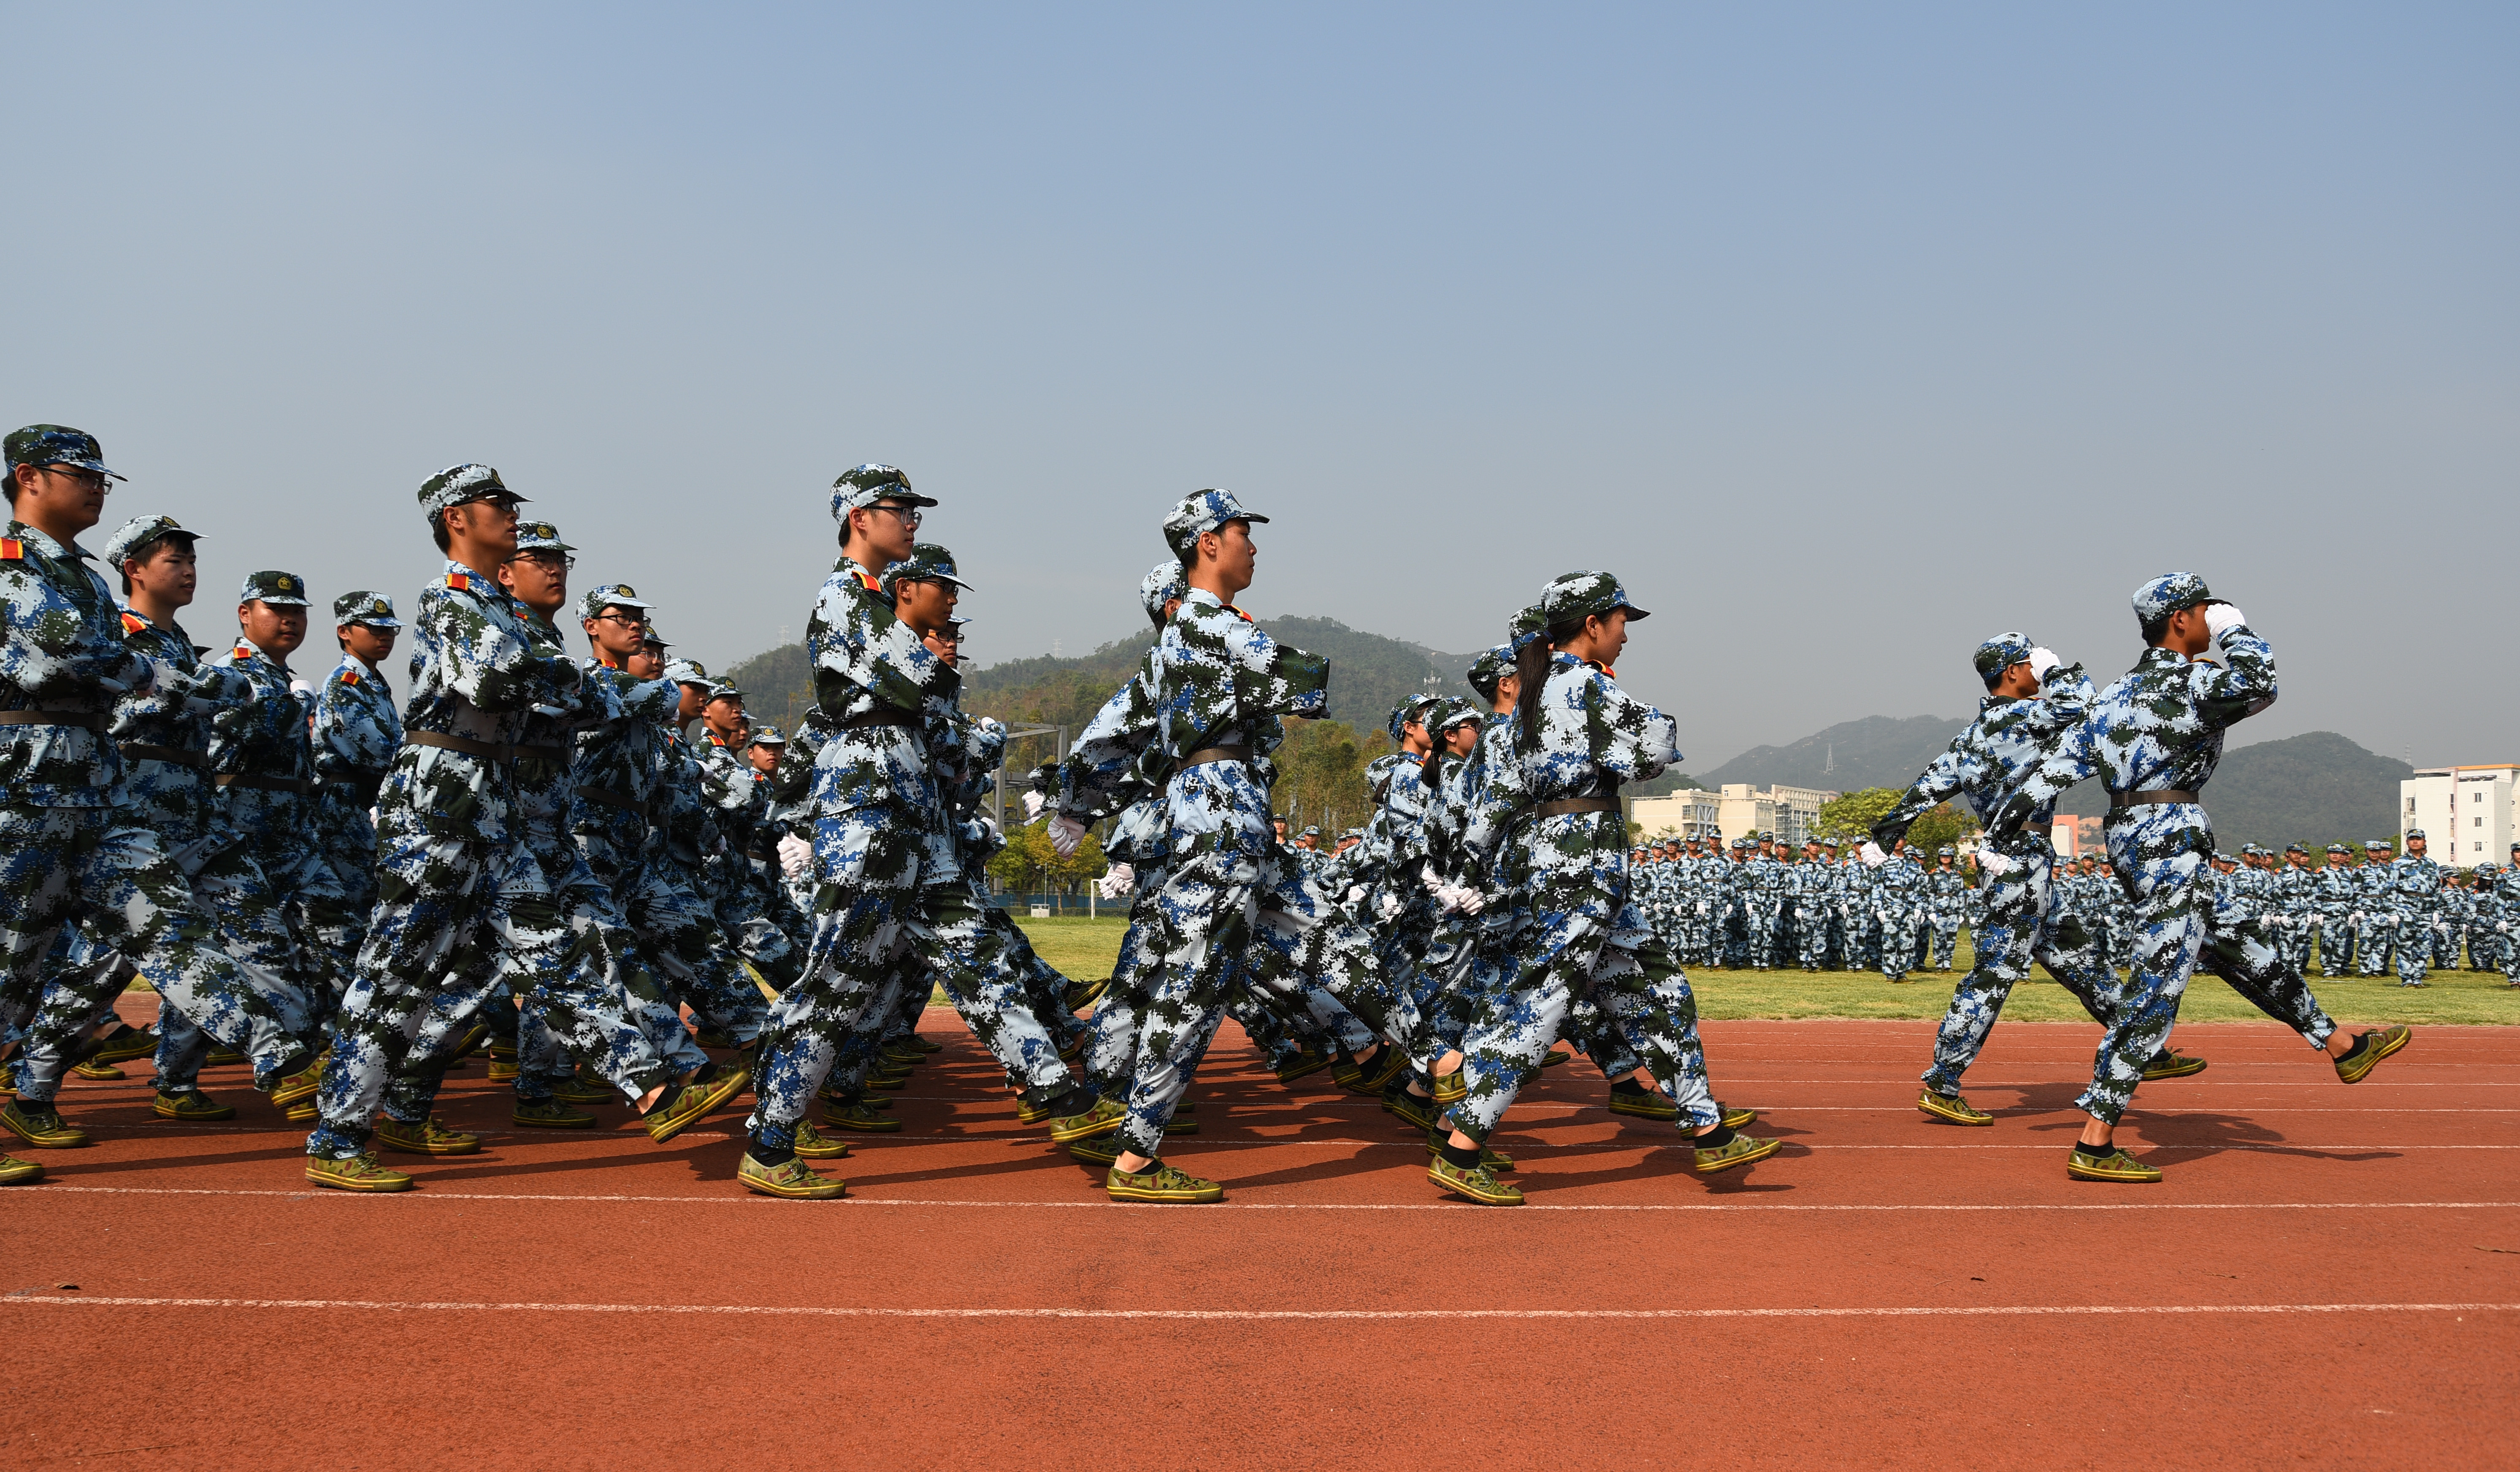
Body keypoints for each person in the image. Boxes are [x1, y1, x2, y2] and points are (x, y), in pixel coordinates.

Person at [304, 464, 739, 1192]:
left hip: (496, 807)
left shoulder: (503, 612)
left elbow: (560, 693)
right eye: (495, 503)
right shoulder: (447, 599)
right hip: (439, 805)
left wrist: (580, 687)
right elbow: (498, 680)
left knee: (552, 953)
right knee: (396, 977)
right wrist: (581, 685)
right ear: (455, 519)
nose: (510, 513)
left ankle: (653, 1086)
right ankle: (337, 1134)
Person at [738, 466, 1108, 1200]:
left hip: (915, 818)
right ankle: (769, 1138)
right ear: (857, 517)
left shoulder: (878, 602)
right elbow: (920, 680)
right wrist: (928, 667)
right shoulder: (842, 595)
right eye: (898, 508)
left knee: (979, 958)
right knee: (837, 983)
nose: (911, 520)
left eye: (914, 511)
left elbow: (935, 705)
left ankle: (1060, 1096)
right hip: (867, 815)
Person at [1983, 574, 2409, 1183]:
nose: (2213, 616)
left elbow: (2049, 772)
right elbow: (2259, 684)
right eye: (2206, 609)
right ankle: (2095, 1140)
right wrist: (2237, 631)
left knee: (2242, 949)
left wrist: (1997, 834)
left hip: (2130, 835)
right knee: (2157, 980)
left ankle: (2342, 1045)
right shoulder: (2190, 683)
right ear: (2180, 619)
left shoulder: (2115, 694)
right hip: (2171, 834)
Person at [0, 427, 320, 1177]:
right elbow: (62, 651)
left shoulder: (81, 577)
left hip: (104, 792)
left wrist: (158, 678)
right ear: (29, 478)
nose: (97, 487)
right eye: (81, 474)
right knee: (15, 964)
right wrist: (163, 679)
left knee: (168, 926)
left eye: (101, 477)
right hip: (29, 785)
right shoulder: (13, 564)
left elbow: (108, 668)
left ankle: (280, 1056)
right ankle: (32, 1086)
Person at [1869, 633, 2201, 1128]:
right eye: (2028, 663)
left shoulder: (1971, 737)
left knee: (2083, 961)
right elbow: (2088, 708)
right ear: (2011, 672)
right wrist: (2058, 672)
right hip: (2020, 862)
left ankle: (2141, 1047)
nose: (2035, 670)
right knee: (1994, 974)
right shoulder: (2024, 717)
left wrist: (1887, 832)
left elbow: (1925, 787)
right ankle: (1942, 1081)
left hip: (2022, 862)